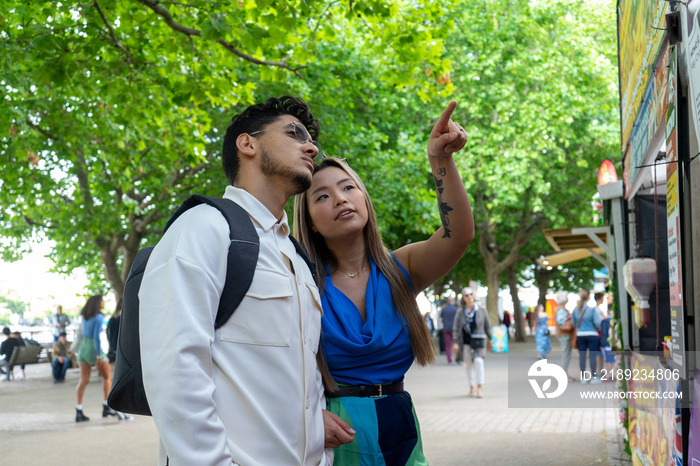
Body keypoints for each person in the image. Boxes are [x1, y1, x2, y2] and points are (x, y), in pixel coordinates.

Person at [139, 96, 354, 465]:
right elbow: (174, 369)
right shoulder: (205, 227)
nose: (312, 147)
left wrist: (315, 437)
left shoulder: (298, 257)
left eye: (311, 140)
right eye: (294, 133)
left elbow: (297, 376)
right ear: (247, 143)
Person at [294, 100, 473, 464]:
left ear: (364, 198)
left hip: (398, 421)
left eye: (348, 188)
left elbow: (459, 236)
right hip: (332, 429)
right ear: (310, 220)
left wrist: (441, 160)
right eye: (322, 196)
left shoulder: (400, 267)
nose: (340, 199)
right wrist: (304, 418)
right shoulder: (299, 280)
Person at [75, 294, 118, 422]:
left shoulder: (84, 317)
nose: (103, 303)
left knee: (83, 381)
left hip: (83, 348)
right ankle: (106, 406)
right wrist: (99, 354)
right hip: (93, 348)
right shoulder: (99, 317)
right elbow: (97, 337)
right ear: (97, 303)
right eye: (102, 301)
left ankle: (79, 410)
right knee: (107, 377)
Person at [453, 287, 492, 398]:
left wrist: (491, 340)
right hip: (465, 342)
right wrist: (455, 342)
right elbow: (456, 328)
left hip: (479, 342)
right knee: (468, 366)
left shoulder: (482, 310)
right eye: (467, 295)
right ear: (463, 299)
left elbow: (487, 326)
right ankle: (471, 388)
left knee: (479, 362)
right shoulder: (460, 313)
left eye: (471, 294)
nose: (469, 297)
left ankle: (480, 388)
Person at [572, 290, 602, 384]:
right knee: (593, 356)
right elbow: (597, 323)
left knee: (582, 356)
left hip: (580, 335)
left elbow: (573, 323)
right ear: (588, 298)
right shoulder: (591, 310)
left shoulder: (576, 310)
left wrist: (580, 328)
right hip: (592, 334)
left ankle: (583, 378)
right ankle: (593, 377)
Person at [554, 292, 575, 382]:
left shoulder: (560, 309)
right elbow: (561, 321)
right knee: (566, 354)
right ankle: (564, 374)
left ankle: (565, 373)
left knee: (566, 354)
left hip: (563, 335)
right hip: (564, 335)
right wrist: (568, 317)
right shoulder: (561, 309)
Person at [440, 297, 459, 365]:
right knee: (457, 344)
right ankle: (458, 359)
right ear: (453, 301)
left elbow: (441, 320)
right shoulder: (456, 309)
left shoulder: (444, 309)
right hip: (455, 330)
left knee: (448, 346)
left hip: (446, 329)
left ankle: (450, 361)